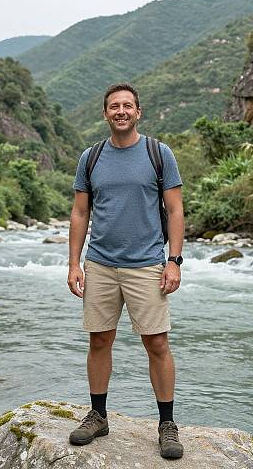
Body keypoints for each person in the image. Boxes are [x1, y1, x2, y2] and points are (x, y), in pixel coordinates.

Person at [67, 83, 184, 459]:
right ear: (105, 113)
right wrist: (73, 263)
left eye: (127, 106)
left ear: (138, 111)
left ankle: (167, 424)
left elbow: (176, 210)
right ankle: (98, 416)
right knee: (99, 340)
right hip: (100, 263)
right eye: (114, 106)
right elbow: (80, 213)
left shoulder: (158, 153)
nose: (121, 111)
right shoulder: (91, 157)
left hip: (148, 263)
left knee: (157, 343)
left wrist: (174, 260)